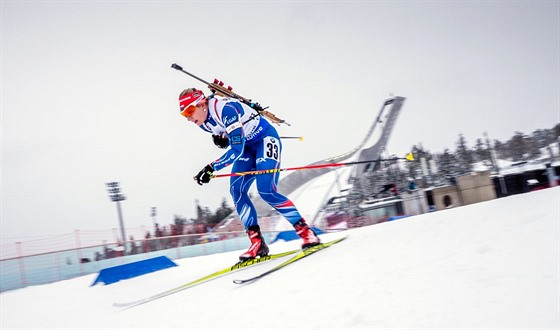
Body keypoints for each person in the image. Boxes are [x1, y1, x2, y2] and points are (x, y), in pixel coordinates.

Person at [178, 88, 320, 261]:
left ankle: (306, 232)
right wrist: (222, 139)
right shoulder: (203, 123)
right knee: (236, 190)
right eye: (184, 114)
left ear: (201, 103)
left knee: (266, 190)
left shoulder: (225, 109)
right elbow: (230, 139)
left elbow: (236, 149)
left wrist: (212, 167)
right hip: (247, 148)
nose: (188, 118)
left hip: (265, 139)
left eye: (189, 111)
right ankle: (257, 242)